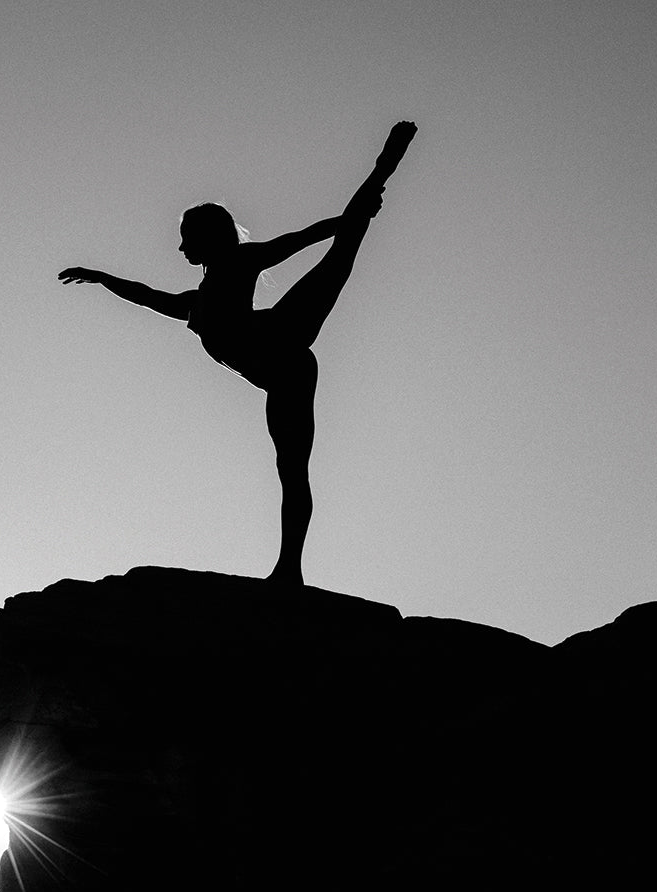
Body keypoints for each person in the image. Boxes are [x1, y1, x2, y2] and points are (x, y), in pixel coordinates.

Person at [59, 121, 417, 586]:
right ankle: (290, 570)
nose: (181, 245)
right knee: (290, 470)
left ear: (208, 238)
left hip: (282, 334)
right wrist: (102, 277)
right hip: (284, 366)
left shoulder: (237, 261)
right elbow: (148, 296)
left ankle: (383, 167)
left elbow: (295, 242)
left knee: (343, 248)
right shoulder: (198, 305)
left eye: (187, 236)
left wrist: (346, 221)